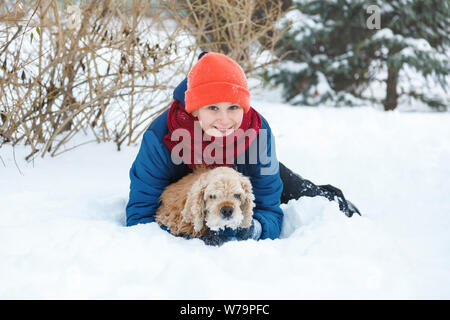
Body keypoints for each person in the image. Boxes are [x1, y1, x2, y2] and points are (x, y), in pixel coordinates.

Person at [126, 52, 360, 245]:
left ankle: (332, 200)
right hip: (188, 186)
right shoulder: (160, 136)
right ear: (195, 110)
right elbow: (140, 217)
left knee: (295, 189)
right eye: (213, 108)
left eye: (233, 107)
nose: (225, 120)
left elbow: (269, 207)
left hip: (244, 174)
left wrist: (253, 230)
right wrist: (190, 235)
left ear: (245, 107)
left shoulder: (258, 132)